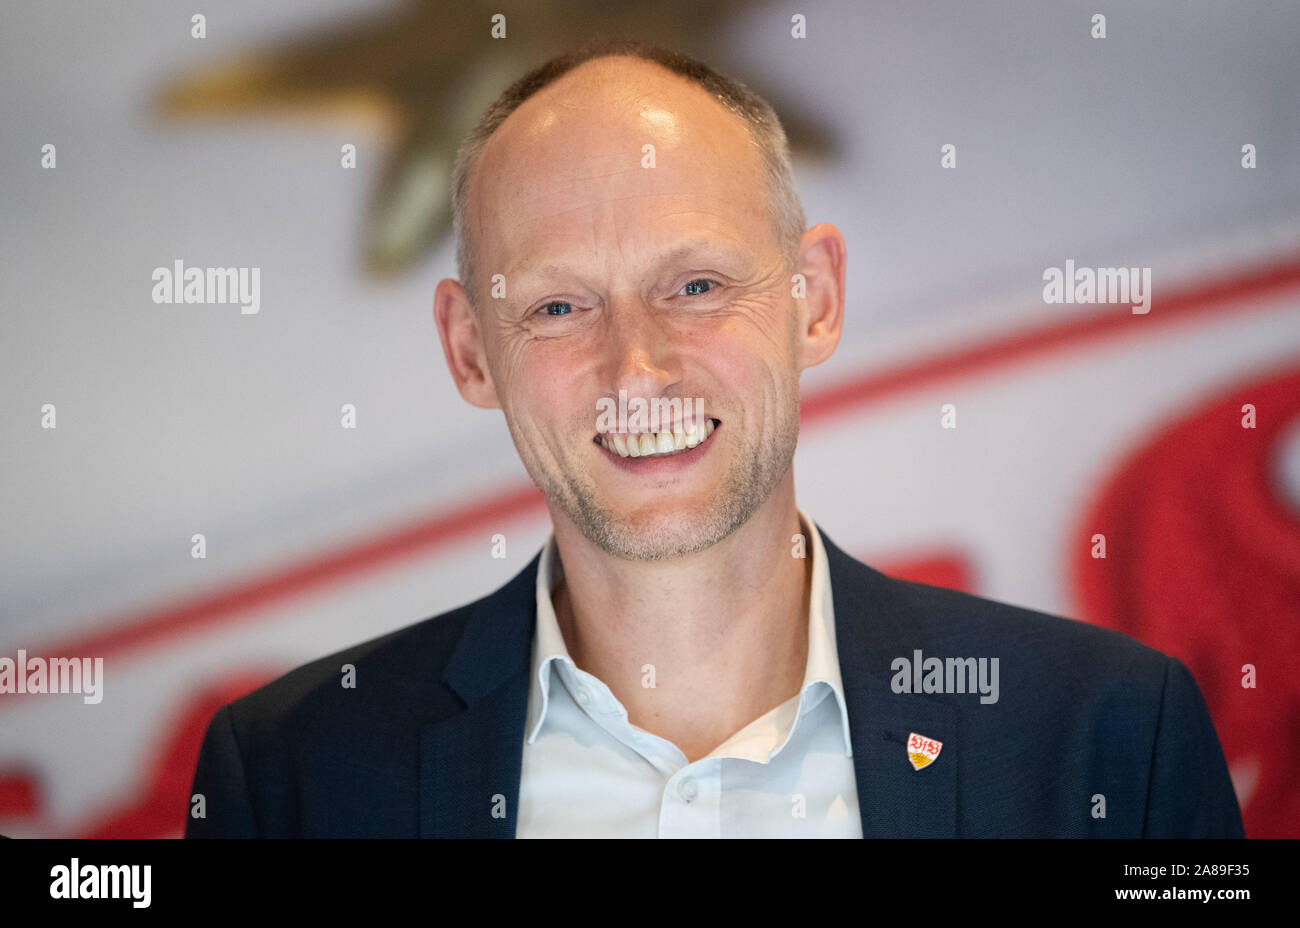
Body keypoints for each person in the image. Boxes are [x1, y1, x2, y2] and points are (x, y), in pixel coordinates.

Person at [186, 40, 1243, 838]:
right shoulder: (291, 775)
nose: (636, 366)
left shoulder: (1110, 732)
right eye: (558, 307)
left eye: (695, 285)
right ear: (469, 350)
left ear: (814, 298)